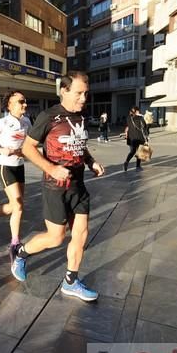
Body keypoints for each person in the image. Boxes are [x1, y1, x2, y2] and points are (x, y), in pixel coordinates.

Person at [13, 72, 105, 302]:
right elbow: (28, 148)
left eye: (86, 93)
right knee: (56, 238)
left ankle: (70, 281)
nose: (84, 98)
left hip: (78, 185)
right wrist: (52, 169)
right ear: (64, 91)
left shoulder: (80, 116)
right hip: (55, 187)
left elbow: (78, 145)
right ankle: (21, 253)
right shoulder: (48, 116)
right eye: (79, 93)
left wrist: (91, 161)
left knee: (81, 234)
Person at [0, 90, 31, 249]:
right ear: (9, 105)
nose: (25, 104)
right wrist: (0, 150)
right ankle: (15, 243)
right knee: (18, 205)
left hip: (19, 166)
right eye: (20, 102)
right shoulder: (2, 123)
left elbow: (29, 143)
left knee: (17, 204)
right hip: (6, 167)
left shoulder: (27, 122)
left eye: (25, 101)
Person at [123, 106, 148, 172]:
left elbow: (128, 125)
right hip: (139, 138)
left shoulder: (128, 118)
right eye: (138, 111)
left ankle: (126, 161)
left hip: (131, 138)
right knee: (139, 152)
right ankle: (138, 166)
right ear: (137, 111)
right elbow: (144, 127)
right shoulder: (140, 118)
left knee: (132, 151)